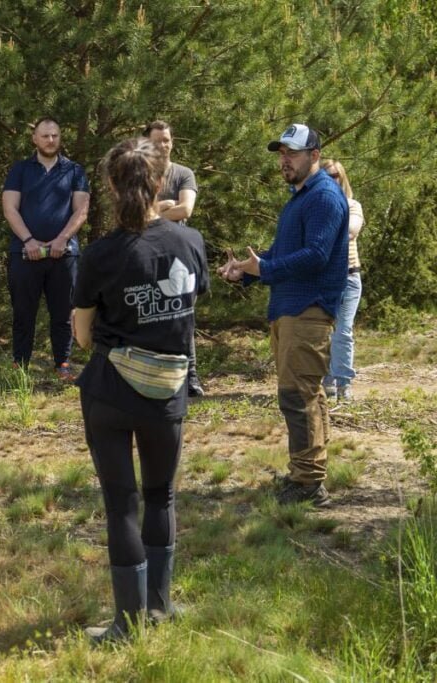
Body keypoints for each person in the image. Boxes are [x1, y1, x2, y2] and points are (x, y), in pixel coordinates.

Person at [73, 137, 208, 643]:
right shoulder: (189, 242)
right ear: (159, 183)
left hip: (110, 392)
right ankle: (160, 607)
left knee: (121, 504)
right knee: (161, 496)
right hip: (168, 392)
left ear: (111, 187)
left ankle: (126, 626)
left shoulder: (100, 254)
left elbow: (82, 335)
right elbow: (189, 310)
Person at [220, 124, 348, 507]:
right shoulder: (299, 198)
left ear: (314, 155)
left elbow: (316, 255)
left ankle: (309, 484)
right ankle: (307, 473)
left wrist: (266, 269)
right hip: (290, 310)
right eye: (281, 153)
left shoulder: (324, 196)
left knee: (298, 396)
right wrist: (246, 272)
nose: (284, 160)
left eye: (292, 153)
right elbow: (279, 255)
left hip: (307, 312)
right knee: (306, 395)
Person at [2, 117, 90, 380]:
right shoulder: (20, 170)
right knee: (23, 313)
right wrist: (28, 240)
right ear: (35, 139)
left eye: (55, 135)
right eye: (45, 136)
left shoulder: (74, 171)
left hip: (64, 254)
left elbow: (81, 211)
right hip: (24, 253)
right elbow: (10, 209)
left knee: (63, 314)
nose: (51, 140)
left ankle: (62, 364)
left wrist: (62, 239)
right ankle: (20, 366)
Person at [144, 120, 205, 397]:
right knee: (149, 314)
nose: (163, 145)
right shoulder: (138, 175)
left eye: (166, 140)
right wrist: (162, 207)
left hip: (178, 254)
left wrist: (151, 212)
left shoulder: (183, 173)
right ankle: (156, 376)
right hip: (146, 253)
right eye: (156, 141)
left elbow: (185, 210)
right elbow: (130, 212)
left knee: (183, 314)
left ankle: (190, 377)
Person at [320, 159, 364, 401]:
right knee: (323, 332)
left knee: (343, 332)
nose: (331, 180)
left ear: (342, 178)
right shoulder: (314, 206)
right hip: (322, 278)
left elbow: (351, 231)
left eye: (334, 175)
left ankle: (344, 383)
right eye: (326, 176)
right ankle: (328, 381)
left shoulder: (352, 205)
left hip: (348, 277)